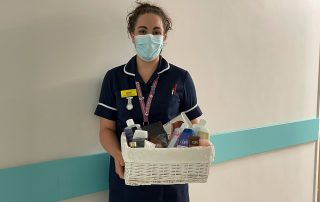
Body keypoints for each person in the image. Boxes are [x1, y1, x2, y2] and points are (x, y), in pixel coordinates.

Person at [94, 2, 202, 202]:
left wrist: (193, 148)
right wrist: (119, 156)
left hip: (170, 182)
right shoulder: (114, 78)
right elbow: (105, 130)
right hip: (127, 177)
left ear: (164, 38)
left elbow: (195, 127)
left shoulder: (181, 78)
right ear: (132, 35)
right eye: (142, 31)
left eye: (156, 31)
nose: (150, 37)